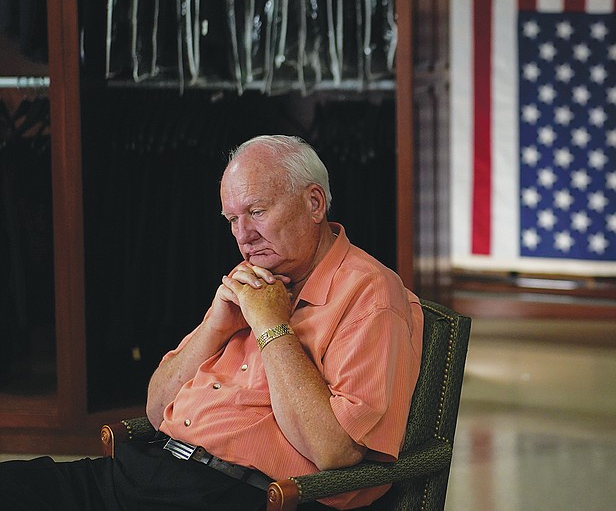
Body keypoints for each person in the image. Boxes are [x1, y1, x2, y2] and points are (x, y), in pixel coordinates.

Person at [0, 134, 424, 510]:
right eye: (232, 220)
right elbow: (153, 408)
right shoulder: (255, 278)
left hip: (232, 490)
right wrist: (214, 329)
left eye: (256, 211)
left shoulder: (369, 295)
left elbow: (336, 450)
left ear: (314, 203)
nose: (243, 236)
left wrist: (270, 328)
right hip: (151, 470)